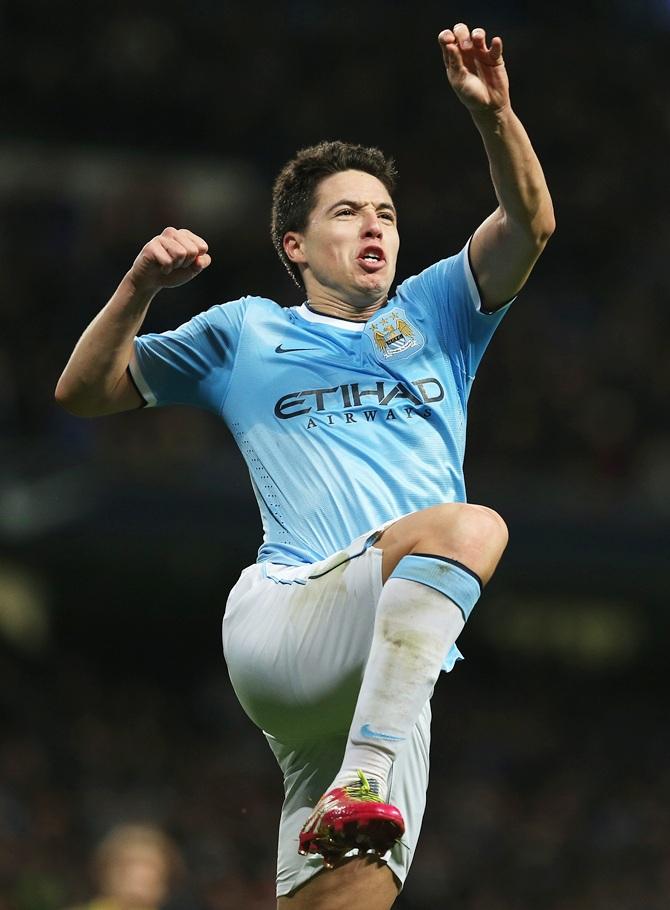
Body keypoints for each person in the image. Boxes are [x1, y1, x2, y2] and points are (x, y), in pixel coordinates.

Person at [56, 23, 554, 910]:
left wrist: (496, 117)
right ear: (295, 245)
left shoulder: (439, 312)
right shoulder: (246, 330)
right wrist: (138, 285)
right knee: (472, 525)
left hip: (389, 673)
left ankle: (356, 779)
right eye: (348, 211)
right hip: (292, 616)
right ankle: (363, 778)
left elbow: (532, 223)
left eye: (388, 213)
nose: (376, 226)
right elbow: (85, 392)